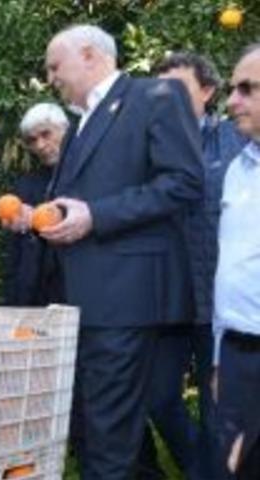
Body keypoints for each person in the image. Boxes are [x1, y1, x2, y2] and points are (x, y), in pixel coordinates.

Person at [31, 25, 203, 479]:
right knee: (98, 432)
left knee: (108, 438)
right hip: (84, 301)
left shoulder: (156, 97)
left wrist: (97, 216)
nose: (51, 78)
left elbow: (184, 182)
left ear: (89, 55)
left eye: (55, 66)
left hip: (127, 299)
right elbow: (75, 204)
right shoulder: (80, 123)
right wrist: (39, 217)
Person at [134, 51, 249, 480]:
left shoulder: (235, 142)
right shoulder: (145, 148)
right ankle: (202, 469)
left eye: (180, 89)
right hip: (168, 302)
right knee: (158, 397)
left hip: (221, 307)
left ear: (208, 91)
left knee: (220, 416)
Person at [213, 43, 260, 480]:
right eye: (232, 89)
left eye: (248, 89)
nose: (232, 101)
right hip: (237, 357)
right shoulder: (237, 170)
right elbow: (231, 268)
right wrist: (217, 356)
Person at [2, 103, 68, 306]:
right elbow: (15, 253)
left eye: (46, 134)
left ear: (65, 131)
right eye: (32, 140)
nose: (40, 145)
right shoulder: (25, 185)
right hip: (32, 299)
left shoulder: (89, 178)